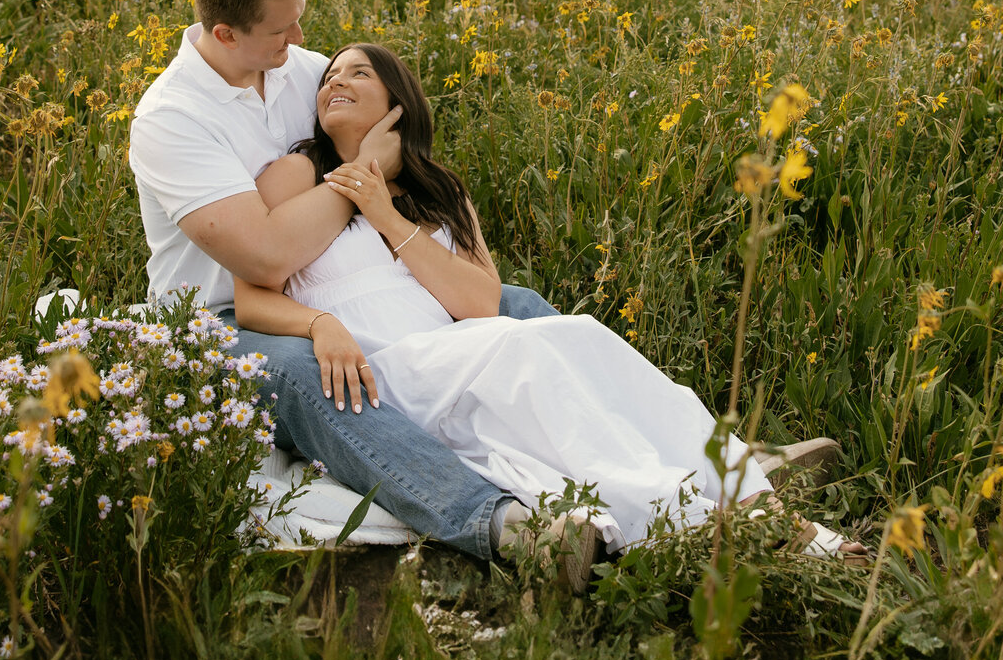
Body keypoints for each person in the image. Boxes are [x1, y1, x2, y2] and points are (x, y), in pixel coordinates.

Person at [231, 42, 867, 575]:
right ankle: (680, 513)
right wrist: (319, 321)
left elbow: (481, 300)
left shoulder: (437, 189)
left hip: (455, 353)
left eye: (358, 72)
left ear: (397, 102)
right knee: (526, 344)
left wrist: (383, 208)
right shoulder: (295, 173)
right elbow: (251, 293)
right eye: (330, 76)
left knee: (578, 335)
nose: (335, 81)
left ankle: (750, 499)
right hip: (382, 369)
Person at [128, 0, 556, 564]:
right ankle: (499, 524)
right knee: (312, 374)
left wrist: (387, 184)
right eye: (282, 29)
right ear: (224, 34)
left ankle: (678, 451)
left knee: (513, 306)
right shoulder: (173, 119)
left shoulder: (302, 71)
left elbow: (391, 137)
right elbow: (265, 261)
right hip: (221, 317)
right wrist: (362, 175)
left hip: (338, 278)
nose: (300, 38)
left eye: (299, 16)